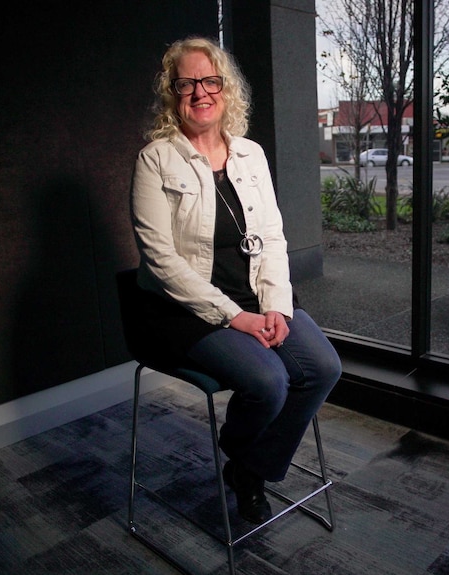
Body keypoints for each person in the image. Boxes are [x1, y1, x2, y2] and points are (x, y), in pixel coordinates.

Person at [130, 36, 341, 524]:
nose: (200, 92)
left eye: (210, 80)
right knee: (269, 383)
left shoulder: (250, 154)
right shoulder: (155, 159)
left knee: (322, 368)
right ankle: (246, 459)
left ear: (226, 89)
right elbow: (161, 261)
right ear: (173, 92)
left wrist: (274, 306)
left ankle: (248, 467)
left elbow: (270, 237)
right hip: (184, 311)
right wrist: (235, 318)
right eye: (187, 83)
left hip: (253, 296)